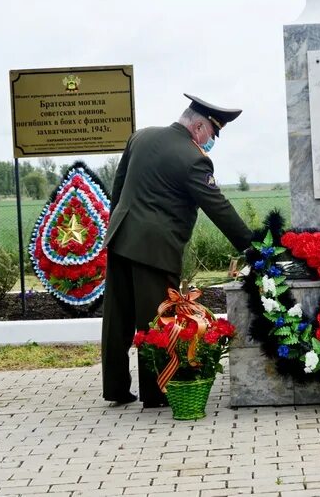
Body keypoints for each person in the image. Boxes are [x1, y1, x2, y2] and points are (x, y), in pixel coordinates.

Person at [102, 93, 253, 408]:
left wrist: (115, 228)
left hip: (120, 237)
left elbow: (118, 187)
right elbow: (219, 209)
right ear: (198, 126)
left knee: (117, 318)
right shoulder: (193, 158)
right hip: (154, 250)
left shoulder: (140, 137)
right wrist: (253, 247)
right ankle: (157, 392)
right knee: (156, 321)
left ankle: (115, 387)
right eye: (211, 135)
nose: (210, 142)